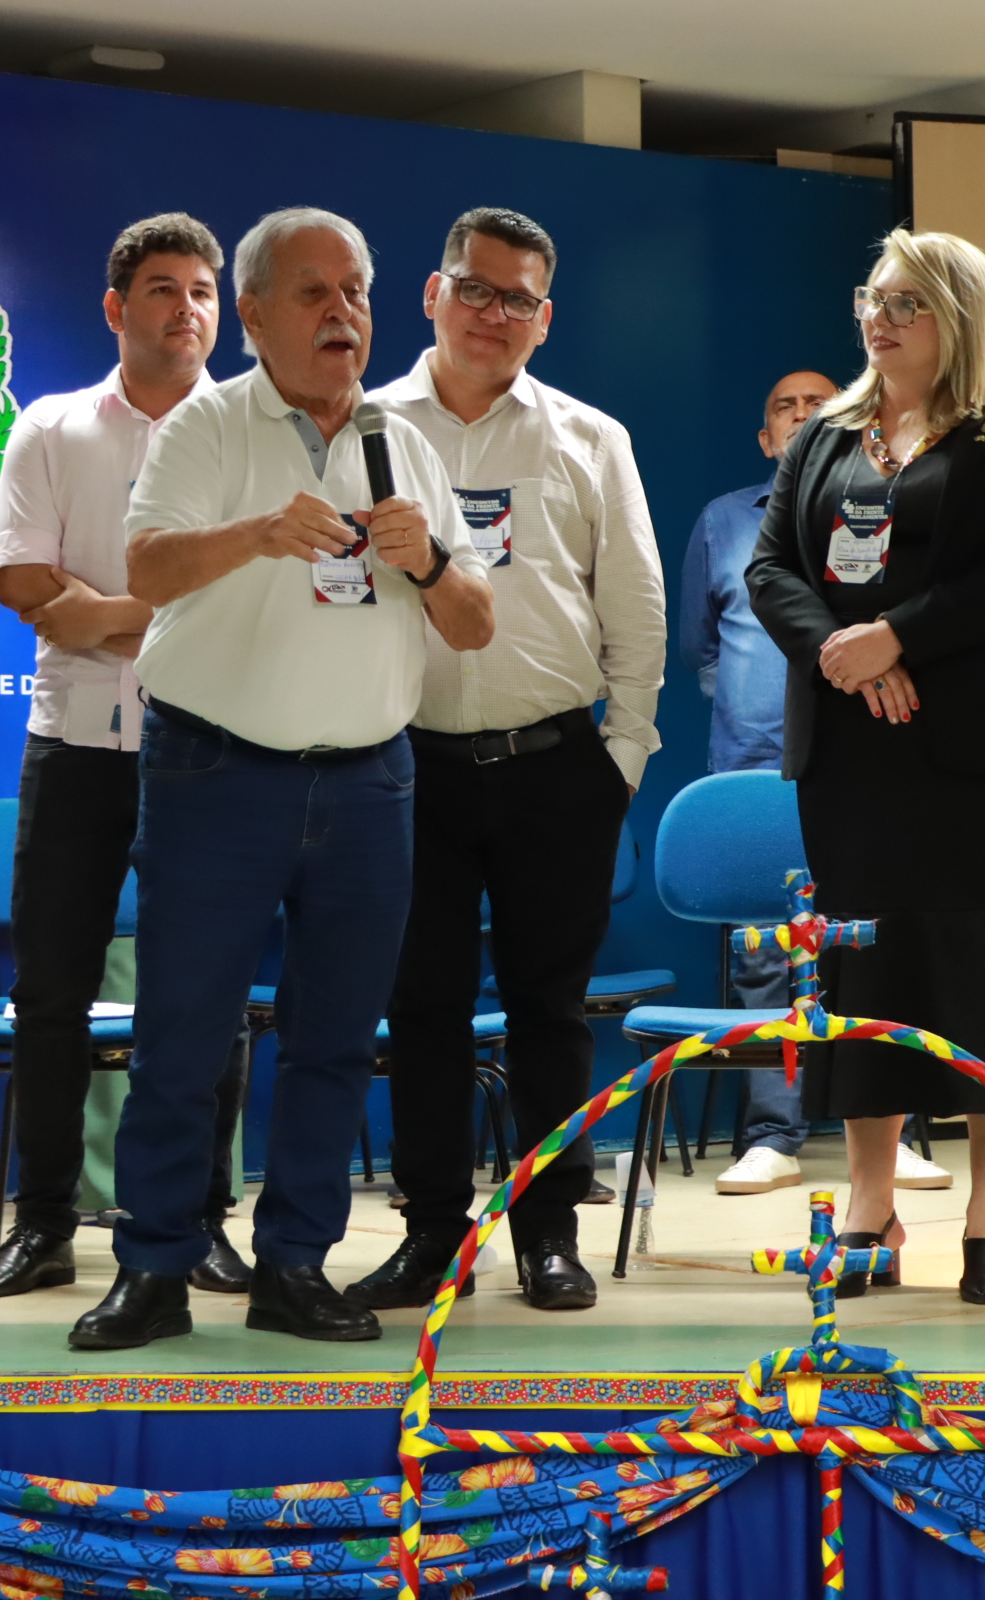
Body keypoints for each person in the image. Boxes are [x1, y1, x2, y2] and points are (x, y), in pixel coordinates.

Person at [68, 207, 494, 1350]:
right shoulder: (207, 426)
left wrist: (430, 560)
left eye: (355, 292)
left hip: (370, 784)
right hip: (216, 773)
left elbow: (472, 623)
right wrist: (258, 534)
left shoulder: (407, 443)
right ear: (252, 315)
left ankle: (296, 1264)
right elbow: (147, 566)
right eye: (314, 293)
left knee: (336, 1038)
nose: (342, 313)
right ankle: (153, 1268)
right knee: (183, 1032)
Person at [747, 227, 985, 1309]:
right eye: (873, 296)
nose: (879, 318)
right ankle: (870, 1206)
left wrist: (898, 636)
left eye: (907, 303)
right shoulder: (826, 436)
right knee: (869, 972)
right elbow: (771, 568)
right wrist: (843, 656)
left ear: (960, 315)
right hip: (857, 752)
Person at [349, 207, 664, 1315]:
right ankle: (434, 1234)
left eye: (517, 298)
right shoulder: (363, 425)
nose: (493, 313)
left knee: (550, 1014)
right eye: (474, 289)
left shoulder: (590, 437)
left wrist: (621, 756)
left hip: (555, 766)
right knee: (422, 1009)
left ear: (545, 317)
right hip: (405, 769)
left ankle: (549, 1234)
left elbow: (636, 608)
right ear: (433, 295)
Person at [0, 214, 254, 1303]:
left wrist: (109, 615)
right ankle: (42, 1225)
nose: (188, 310)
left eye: (204, 292)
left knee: (205, 996)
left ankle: (198, 1221)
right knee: (51, 995)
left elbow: (255, 597)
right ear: (116, 307)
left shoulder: (250, 433)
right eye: (166, 289)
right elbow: (23, 584)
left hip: (209, 747)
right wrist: (169, 616)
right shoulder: (53, 426)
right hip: (75, 747)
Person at [683, 369, 955, 1198]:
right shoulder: (724, 521)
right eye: (784, 407)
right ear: (766, 439)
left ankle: (895, 1129)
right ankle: (773, 1135)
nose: (802, 415)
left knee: (879, 943)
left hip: (871, 762)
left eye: (819, 404)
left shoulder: (890, 502)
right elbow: (701, 650)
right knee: (767, 955)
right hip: (756, 765)